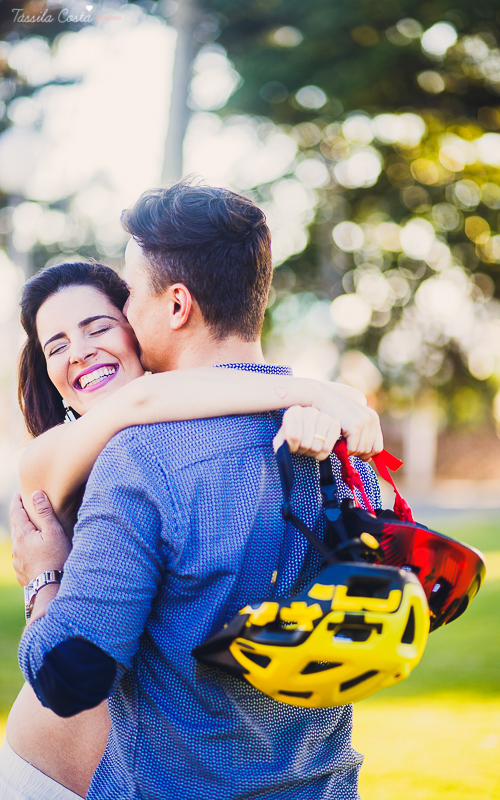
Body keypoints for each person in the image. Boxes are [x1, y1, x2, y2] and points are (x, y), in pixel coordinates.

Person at [10, 181, 382, 800]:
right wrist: (313, 391)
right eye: (57, 344)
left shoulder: (144, 458)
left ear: (176, 305)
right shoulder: (343, 443)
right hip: (318, 783)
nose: (120, 321)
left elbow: (74, 676)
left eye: (126, 300)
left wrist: (44, 577)